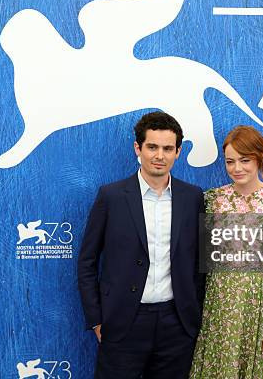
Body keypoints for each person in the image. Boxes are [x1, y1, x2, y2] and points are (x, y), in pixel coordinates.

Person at [78, 112, 205, 379]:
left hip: (176, 324)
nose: (160, 155)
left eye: (168, 148)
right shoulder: (111, 196)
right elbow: (87, 262)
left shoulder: (193, 198)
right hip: (123, 321)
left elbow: (199, 264)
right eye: (152, 147)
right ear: (138, 148)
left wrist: (191, 319)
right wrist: (97, 320)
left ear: (178, 152)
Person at [189, 125, 263, 378]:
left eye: (245, 160)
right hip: (220, 311)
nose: (237, 168)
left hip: (261, 313)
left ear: (260, 158)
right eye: (230, 161)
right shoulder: (211, 201)